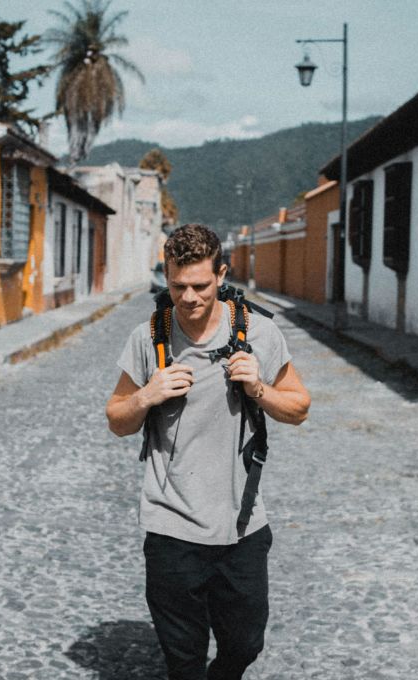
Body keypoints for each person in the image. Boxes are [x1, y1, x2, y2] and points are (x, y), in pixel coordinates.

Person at [106, 223, 310, 680]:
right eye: (178, 286)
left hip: (241, 524)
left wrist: (257, 386)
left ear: (221, 274)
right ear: (167, 277)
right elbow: (117, 419)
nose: (189, 297)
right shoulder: (148, 337)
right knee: (184, 660)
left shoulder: (258, 333)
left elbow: (298, 408)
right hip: (170, 525)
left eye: (200, 285)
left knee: (245, 644)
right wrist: (146, 395)